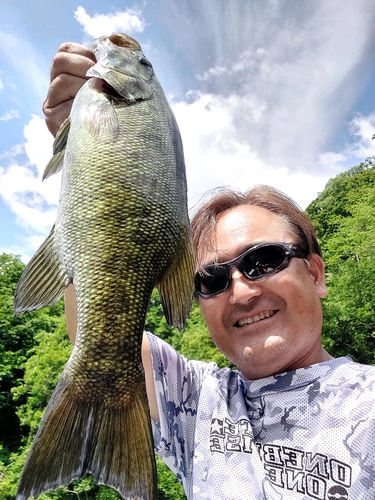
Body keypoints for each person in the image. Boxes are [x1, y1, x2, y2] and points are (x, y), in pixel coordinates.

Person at [45, 42, 375, 500]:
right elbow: (95, 328)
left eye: (264, 260)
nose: (241, 290)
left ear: (316, 273)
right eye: (212, 279)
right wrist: (83, 159)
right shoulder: (197, 401)